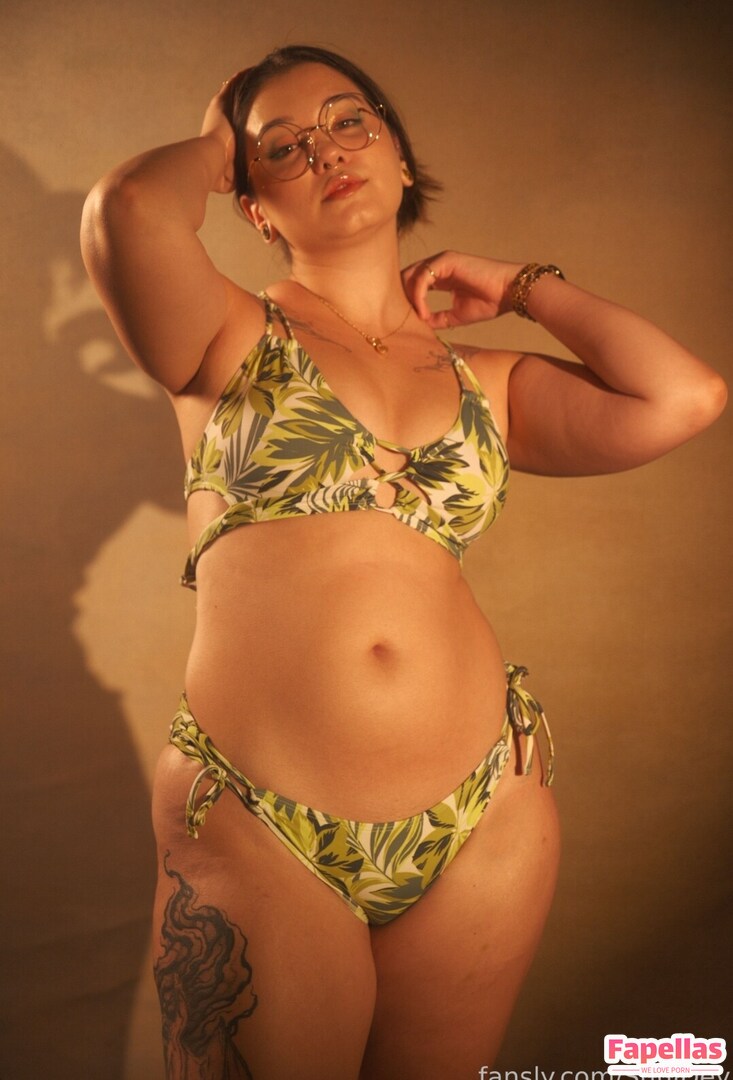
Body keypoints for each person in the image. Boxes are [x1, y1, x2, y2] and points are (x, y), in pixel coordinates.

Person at [80, 43, 726, 1080]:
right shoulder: (225, 334)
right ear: (252, 206)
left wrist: (520, 286)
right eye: (282, 148)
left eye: (350, 121)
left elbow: (683, 398)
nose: (326, 151)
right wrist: (215, 142)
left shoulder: (485, 381)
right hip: (259, 817)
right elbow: (128, 210)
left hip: (485, 815)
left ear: (398, 155)